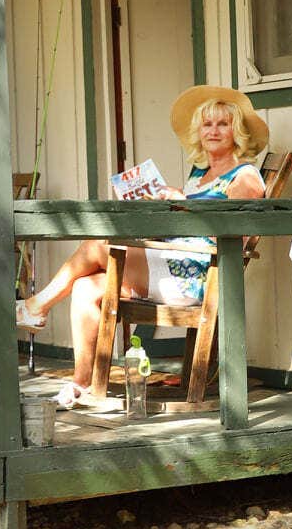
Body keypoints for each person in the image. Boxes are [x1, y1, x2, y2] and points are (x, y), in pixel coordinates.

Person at [15, 84, 269, 408]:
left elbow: (232, 229)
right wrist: (168, 198)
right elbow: (190, 211)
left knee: (97, 245)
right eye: (207, 124)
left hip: (195, 273)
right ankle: (82, 385)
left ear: (238, 131)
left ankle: (36, 307)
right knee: (84, 289)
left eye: (223, 123)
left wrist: (186, 203)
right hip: (171, 260)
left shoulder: (246, 176)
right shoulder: (200, 174)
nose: (214, 131)